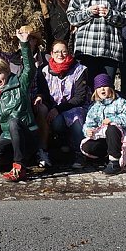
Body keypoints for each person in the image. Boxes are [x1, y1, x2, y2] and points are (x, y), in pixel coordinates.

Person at [0, 13, 51, 167]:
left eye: (30, 38)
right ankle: (19, 157)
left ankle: (39, 151)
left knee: (38, 111)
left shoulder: (43, 60)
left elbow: (34, 73)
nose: (26, 40)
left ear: (35, 41)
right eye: (23, 38)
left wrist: (41, 96)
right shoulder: (10, 61)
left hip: (31, 106)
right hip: (13, 111)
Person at [0, 30, 39, 182]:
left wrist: (24, 44)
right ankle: (22, 161)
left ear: (7, 72)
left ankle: (19, 167)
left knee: (14, 122)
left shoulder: (20, 83)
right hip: (8, 137)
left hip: (27, 133)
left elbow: (29, 68)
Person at [37, 39, 90, 168]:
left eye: (63, 52)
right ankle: (62, 142)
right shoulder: (44, 71)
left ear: (68, 53)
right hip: (54, 109)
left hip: (74, 107)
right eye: (56, 52)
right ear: (51, 54)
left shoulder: (79, 69)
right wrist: (40, 97)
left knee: (76, 119)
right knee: (55, 122)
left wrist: (58, 109)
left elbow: (80, 97)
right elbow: (43, 92)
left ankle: (80, 153)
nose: (60, 55)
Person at [80, 73, 126, 175]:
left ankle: (114, 162)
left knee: (112, 128)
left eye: (105, 86)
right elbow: (88, 123)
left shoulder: (120, 102)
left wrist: (112, 120)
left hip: (119, 138)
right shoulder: (94, 107)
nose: (102, 89)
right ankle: (105, 158)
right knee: (87, 146)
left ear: (111, 88)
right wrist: (87, 130)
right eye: (99, 87)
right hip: (104, 139)